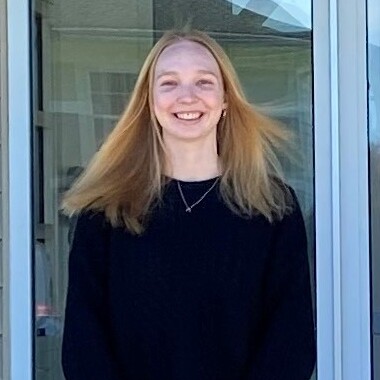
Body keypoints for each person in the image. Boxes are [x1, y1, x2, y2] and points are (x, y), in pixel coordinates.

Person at [61, 29, 316, 380]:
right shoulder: (105, 211)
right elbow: (83, 345)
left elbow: (291, 339)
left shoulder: (273, 207)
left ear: (225, 99)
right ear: (149, 102)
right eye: (169, 83)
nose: (187, 96)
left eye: (204, 82)